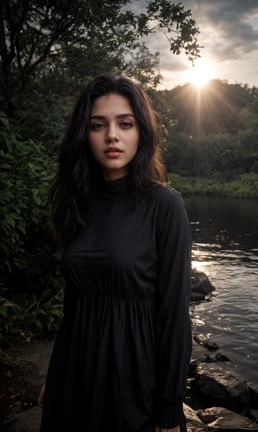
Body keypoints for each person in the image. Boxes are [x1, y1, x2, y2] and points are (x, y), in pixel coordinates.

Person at [38, 74, 192, 432]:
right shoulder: (78, 202)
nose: (112, 135)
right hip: (73, 377)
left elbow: (173, 314)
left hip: (132, 382)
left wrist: (170, 406)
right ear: (84, 134)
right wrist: (55, 373)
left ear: (141, 132)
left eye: (125, 124)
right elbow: (74, 303)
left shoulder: (163, 205)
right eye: (98, 125)